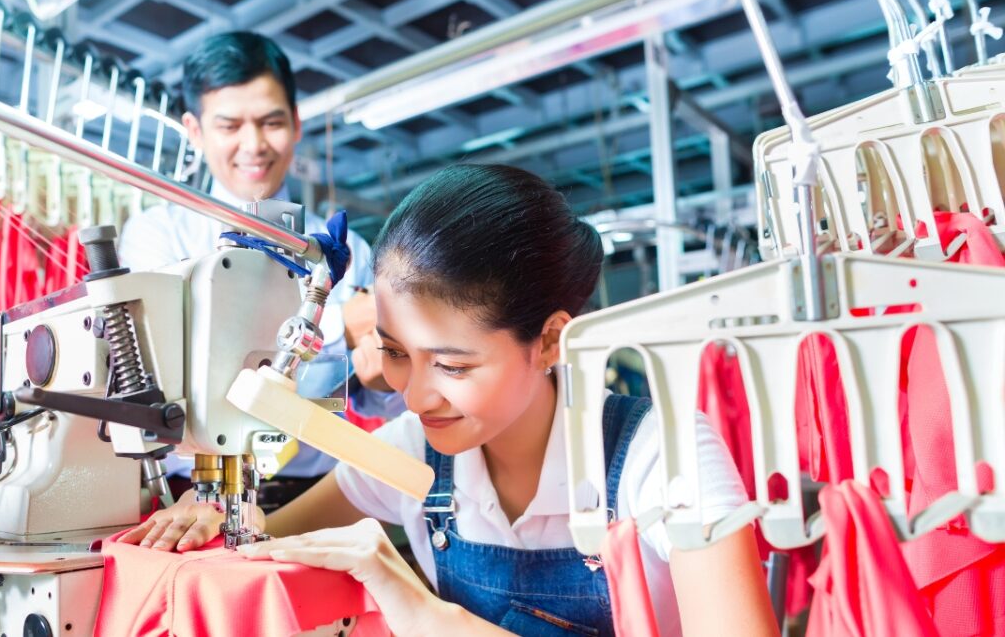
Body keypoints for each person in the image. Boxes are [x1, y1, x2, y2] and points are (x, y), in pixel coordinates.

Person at [121, 164, 778, 637]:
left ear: (549, 340)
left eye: (453, 364)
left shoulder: (661, 460)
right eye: (397, 353)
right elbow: (265, 533)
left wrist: (428, 613)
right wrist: (217, 517)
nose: (415, 393)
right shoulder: (411, 454)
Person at [118, 31, 401, 506]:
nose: (254, 145)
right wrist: (338, 323)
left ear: (295, 122)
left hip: (316, 495)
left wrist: (384, 373)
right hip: (193, 498)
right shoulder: (155, 237)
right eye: (229, 125)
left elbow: (377, 398)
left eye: (271, 123)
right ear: (194, 129)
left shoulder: (347, 248)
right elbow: (189, 364)